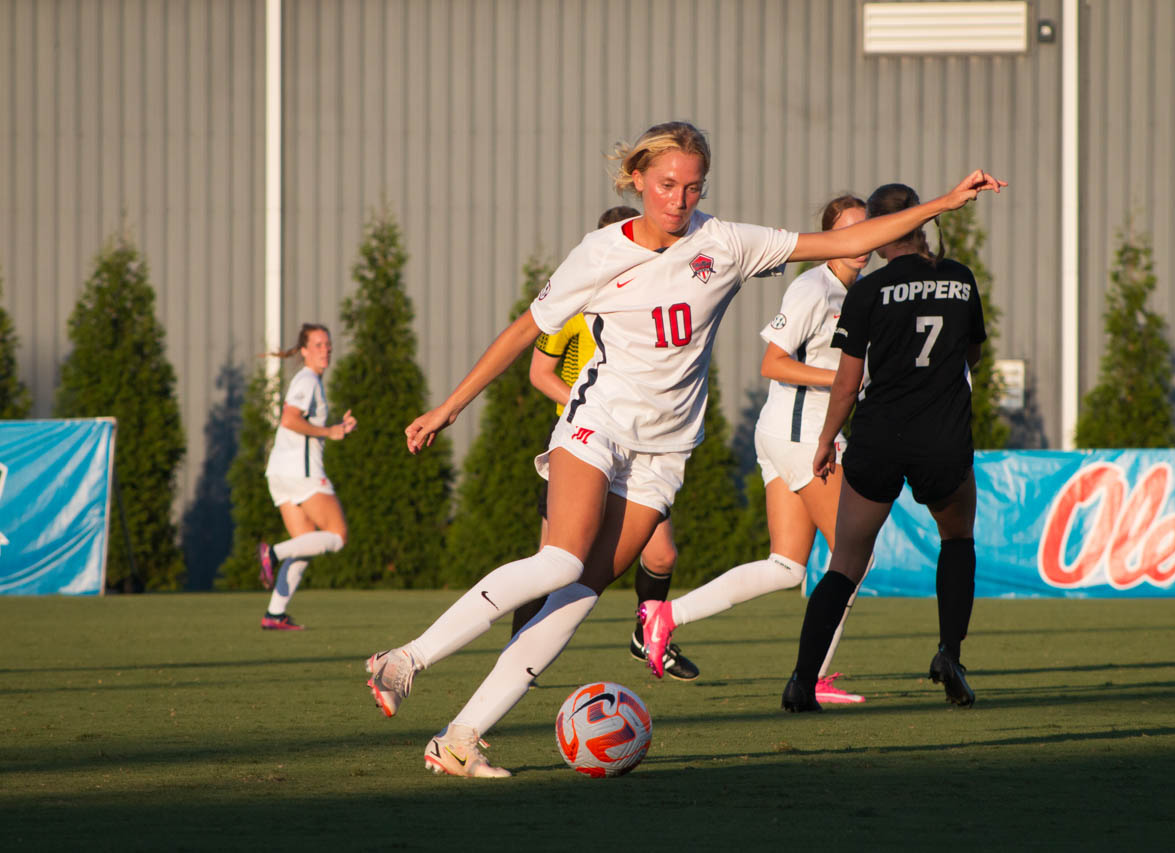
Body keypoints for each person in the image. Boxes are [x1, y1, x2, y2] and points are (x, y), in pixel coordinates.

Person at [364, 121, 1004, 777]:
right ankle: (405, 660)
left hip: (665, 449)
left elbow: (841, 241)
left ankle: (460, 737)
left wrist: (941, 204)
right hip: (599, 422)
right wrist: (448, 408)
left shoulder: (724, 243)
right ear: (638, 178)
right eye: (668, 184)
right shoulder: (599, 251)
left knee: (583, 591)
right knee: (561, 561)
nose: (679, 199)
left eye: (693, 186)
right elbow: (525, 330)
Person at [637, 194, 873, 704]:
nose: (860, 243)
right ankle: (812, 679)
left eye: (867, 230)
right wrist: (841, 380)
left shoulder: (859, 292)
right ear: (831, 236)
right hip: (800, 437)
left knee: (787, 567)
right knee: (854, 557)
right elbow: (773, 362)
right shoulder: (814, 286)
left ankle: (665, 616)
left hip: (792, 434)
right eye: (849, 231)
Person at [781, 182, 988, 713]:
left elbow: (847, 384)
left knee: (845, 562)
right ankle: (950, 654)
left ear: (879, 230)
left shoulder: (867, 291)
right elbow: (971, 355)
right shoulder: (961, 279)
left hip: (879, 437)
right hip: (942, 437)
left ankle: (803, 681)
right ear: (919, 222)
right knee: (958, 540)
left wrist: (826, 441)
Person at [515, 203, 700, 681]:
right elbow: (540, 373)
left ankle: (649, 636)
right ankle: (519, 652)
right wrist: (587, 400)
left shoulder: (655, 300)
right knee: (552, 561)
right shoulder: (576, 306)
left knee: (661, 554)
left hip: (639, 443)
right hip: (582, 441)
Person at [257, 323, 357, 630]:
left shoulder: (309, 380)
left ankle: (275, 614)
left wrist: (337, 427)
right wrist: (330, 431)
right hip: (301, 472)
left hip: (279, 472)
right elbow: (289, 419)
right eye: (317, 345)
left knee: (305, 543)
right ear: (303, 350)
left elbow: (300, 422)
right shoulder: (307, 379)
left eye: (327, 344)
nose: (325, 350)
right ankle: (273, 552)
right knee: (338, 537)